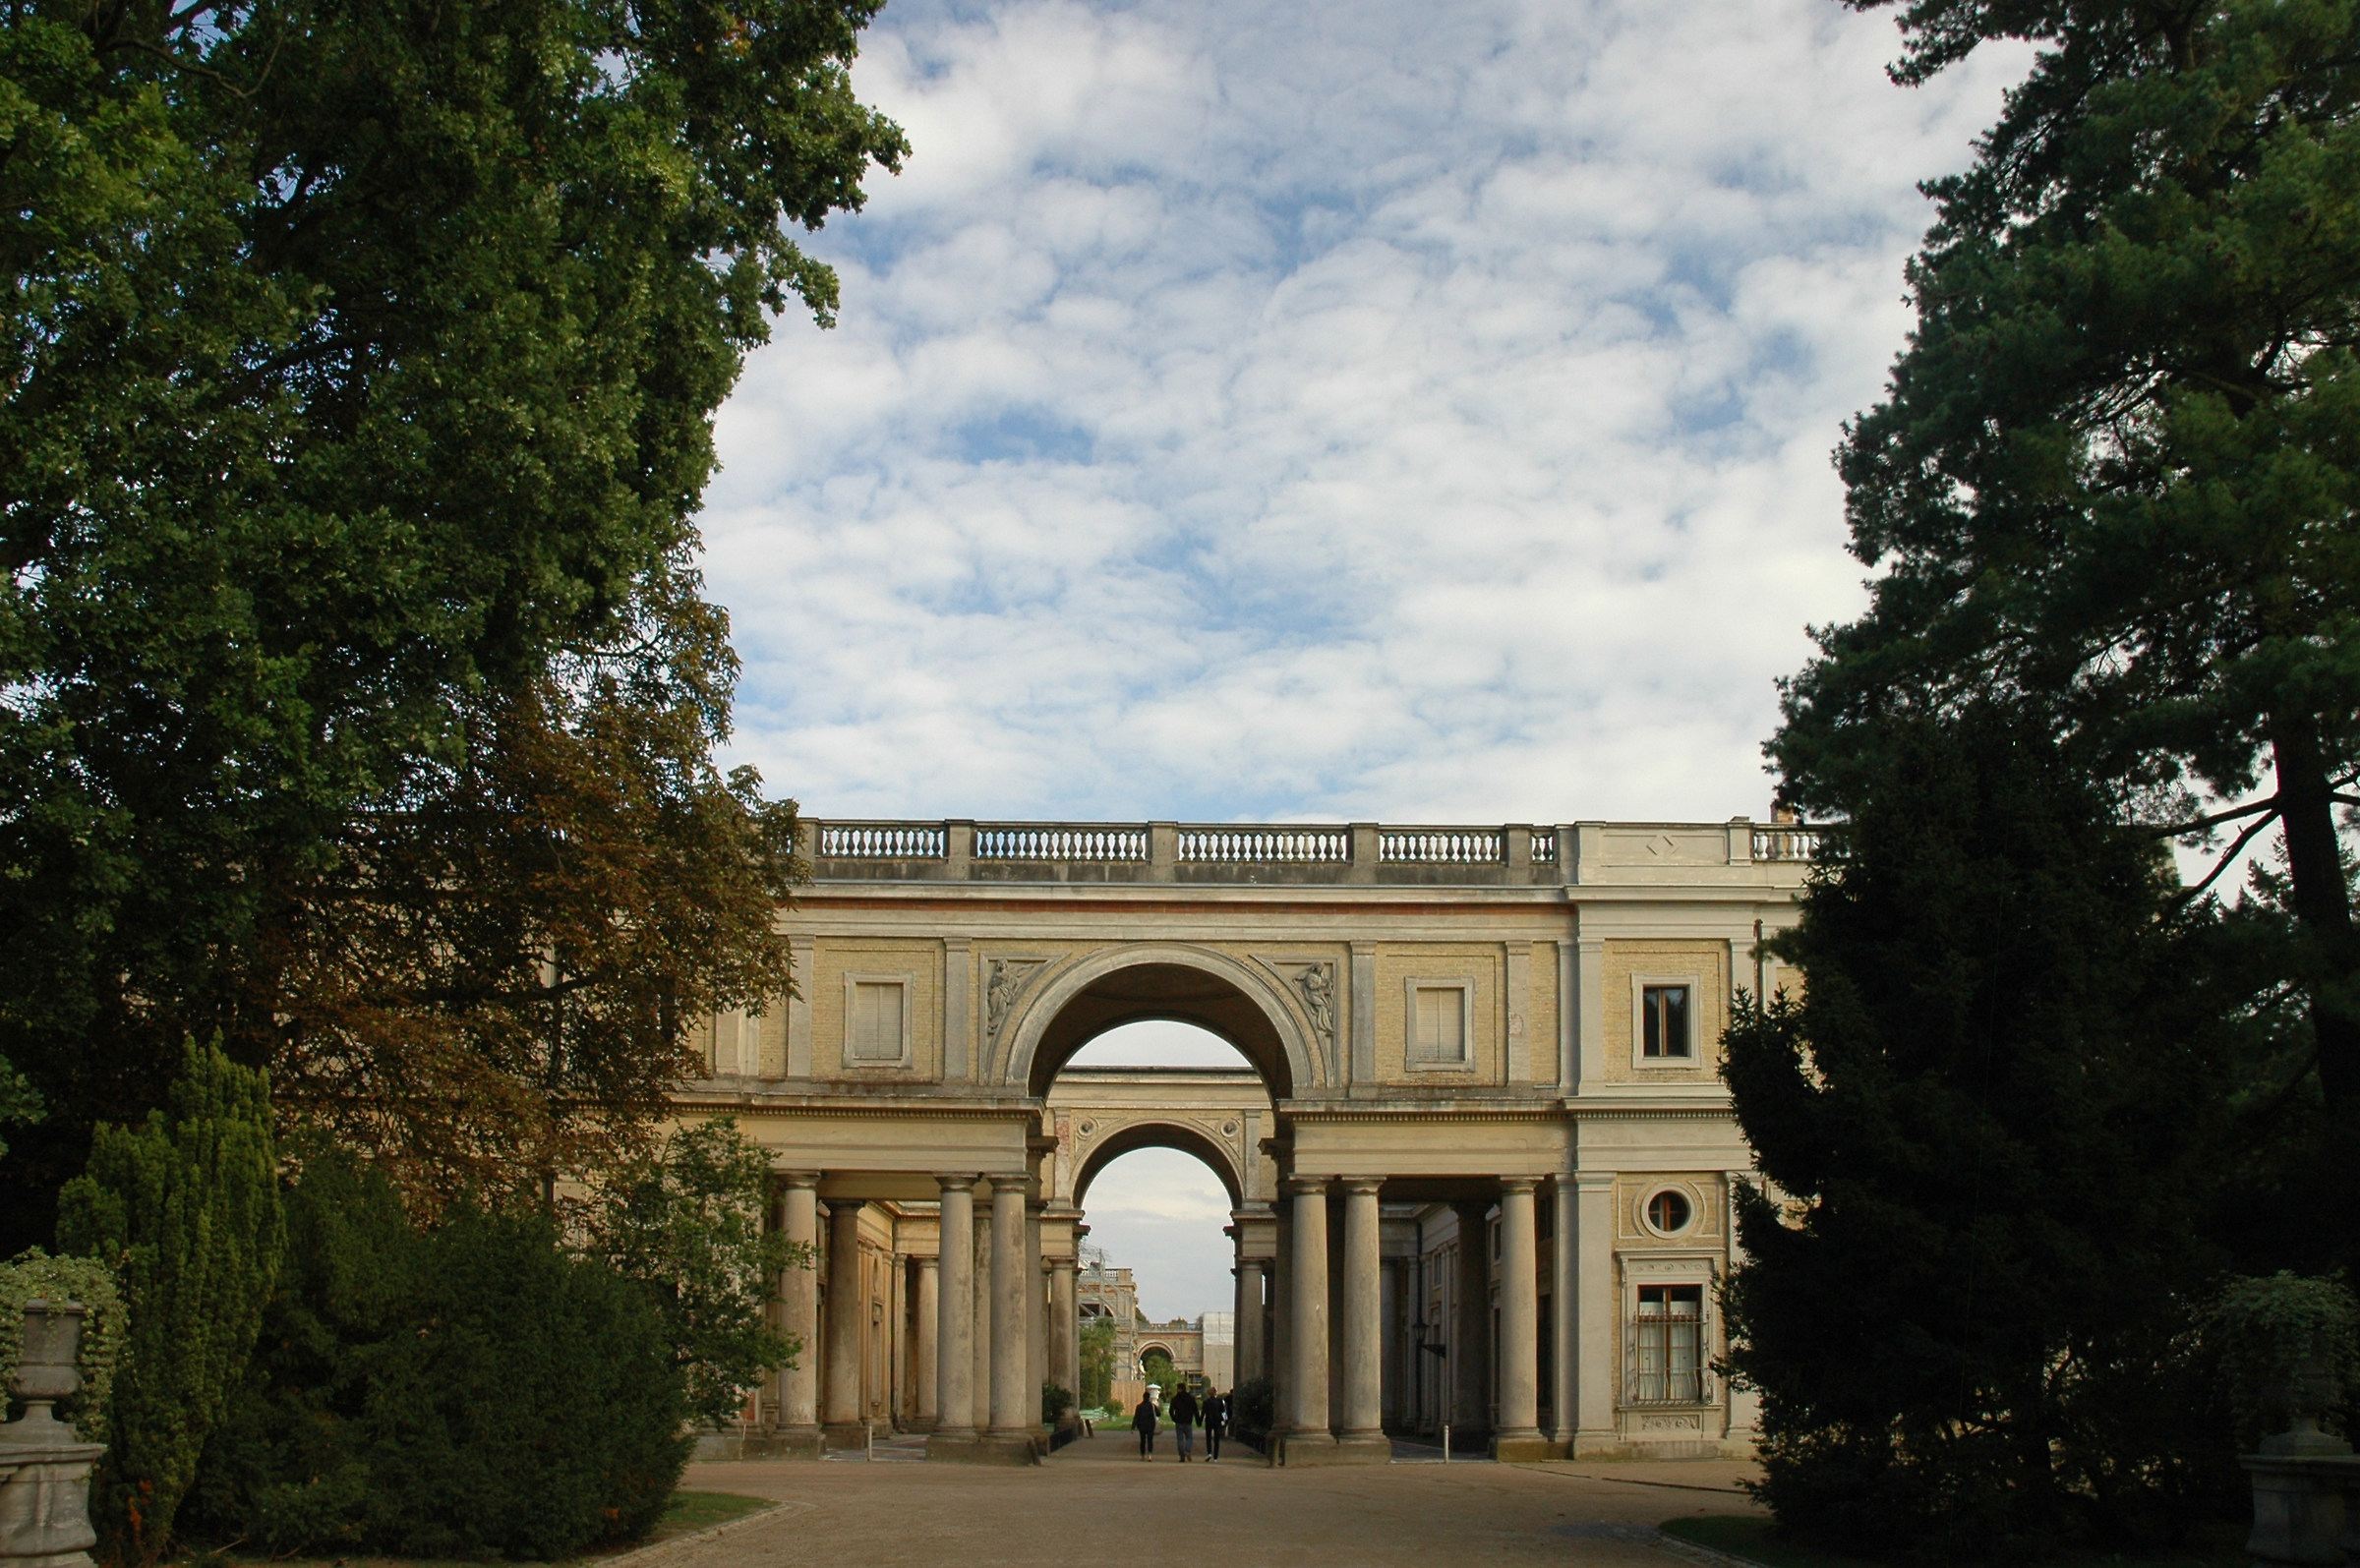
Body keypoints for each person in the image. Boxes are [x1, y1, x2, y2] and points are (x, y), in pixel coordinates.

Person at [1170, 1384, 1199, 1463]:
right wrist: (1197, 1420)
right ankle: (1187, 1450)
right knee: (1189, 1438)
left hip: (1179, 1421)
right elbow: (1195, 1410)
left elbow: (1171, 1410)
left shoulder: (1175, 1399)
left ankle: (1181, 1456)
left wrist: (1174, 1418)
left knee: (1180, 1439)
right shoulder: (1191, 1398)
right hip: (1188, 1421)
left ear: (1179, 1389)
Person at [1132, 1388, 1158, 1459]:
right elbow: (1159, 1414)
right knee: (1150, 1440)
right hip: (1150, 1426)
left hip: (1142, 1426)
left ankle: (1142, 1455)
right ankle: (1150, 1455)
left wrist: (1133, 1427)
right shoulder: (1152, 1406)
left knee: (1142, 1440)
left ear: (1143, 1397)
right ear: (1149, 1397)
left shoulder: (1139, 1406)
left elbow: (1136, 1417)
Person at [1202, 1389, 1226, 1462]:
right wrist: (1224, 1420)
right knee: (1217, 1439)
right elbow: (1223, 1411)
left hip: (1209, 1420)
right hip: (1217, 1420)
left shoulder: (1206, 1402)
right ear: (1215, 1393)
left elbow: (1203, 1412)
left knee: (1208, 1437)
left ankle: (1209, 1453)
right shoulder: (1219, 1401)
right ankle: (1216, 1457)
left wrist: (1200, 1420)